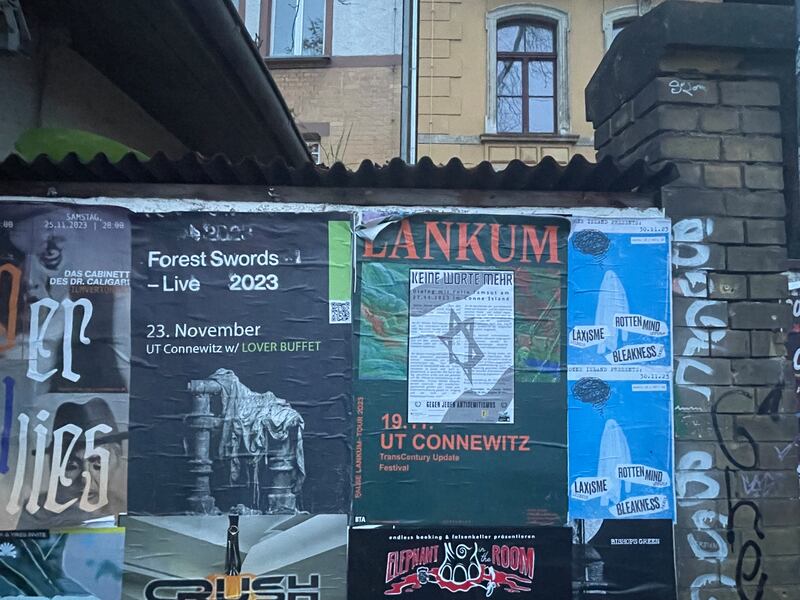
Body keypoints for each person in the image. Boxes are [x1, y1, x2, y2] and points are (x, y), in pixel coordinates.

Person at [15, 397, 127, 529]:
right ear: (54, 467)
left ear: (117, 460)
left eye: (98, 464)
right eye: (71, 466)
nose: (85, 479)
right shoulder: (35, 514)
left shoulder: (127, 510)